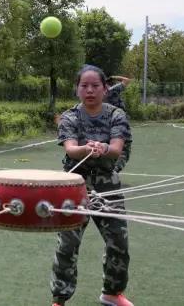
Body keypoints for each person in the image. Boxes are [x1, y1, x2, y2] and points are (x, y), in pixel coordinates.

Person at [51, 65, 133, 306]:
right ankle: (59, 299)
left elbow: (116, 149)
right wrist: (87, 149)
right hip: (74, 185)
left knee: (118, 242)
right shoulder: (70, 117)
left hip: (107, 185)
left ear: (105, 89)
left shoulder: (116, 115)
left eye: (95, 85)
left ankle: (112, 293)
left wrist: (104, 148)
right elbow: (71, 149)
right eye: (84, 86)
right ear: (77, 89)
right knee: (67, 244)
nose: (89, 90)